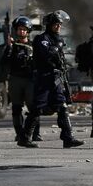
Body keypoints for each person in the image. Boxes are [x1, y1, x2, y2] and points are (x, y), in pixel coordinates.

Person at [17, 10, 84, 148]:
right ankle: (24, 138)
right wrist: (56, 48)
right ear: (49, 25)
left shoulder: (58, 39)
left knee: (62, 106)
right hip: (44, 78)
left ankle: (68, 138)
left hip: (56, 78)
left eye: (60, 24)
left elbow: (61, 60)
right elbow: (46, 55)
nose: (59, 27)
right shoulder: (41, 39)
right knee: (37, 108)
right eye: (56, 24)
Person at [1, 16, 42, 142]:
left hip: (30, 79)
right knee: (16, 108)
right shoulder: (12, 46)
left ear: (28, 31)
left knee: (33, 107)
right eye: (19, 29)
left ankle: (35, 133)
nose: (22, 32)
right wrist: (9, 47)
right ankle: (19, 133)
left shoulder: (33, 46)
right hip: (15, 79)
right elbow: (4, 62)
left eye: (24, 29)